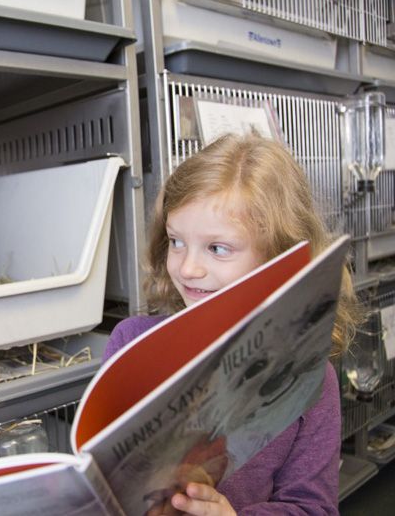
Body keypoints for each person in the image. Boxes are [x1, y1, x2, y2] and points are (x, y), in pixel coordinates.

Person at [104, 133, 363, 515]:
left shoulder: (312, 380)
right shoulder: (130, 342)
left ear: (279, 259)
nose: (187, 268)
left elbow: (314, 509)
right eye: (176, 241)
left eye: (217, 248)